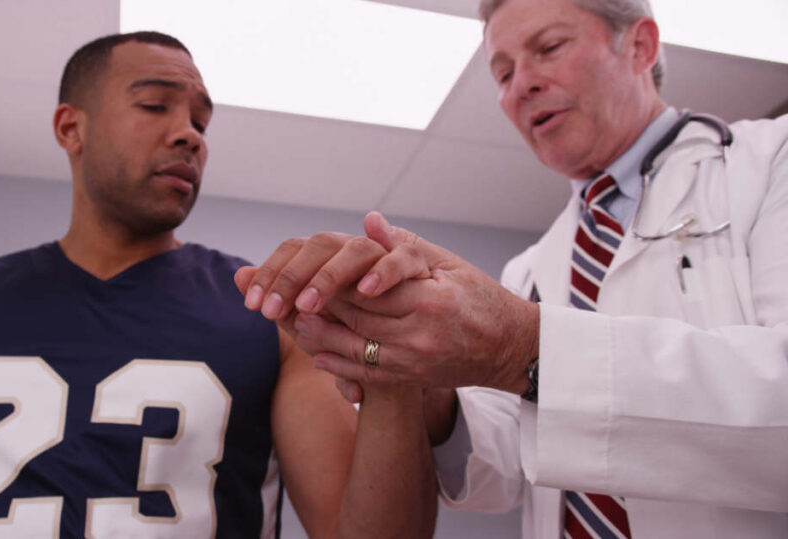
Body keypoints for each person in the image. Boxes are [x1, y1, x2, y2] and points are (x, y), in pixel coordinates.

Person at [0, 32, 437, 538]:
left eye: (201, 121)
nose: (190, 132)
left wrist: (393, 363)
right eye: (155, 105)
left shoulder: (266, 312)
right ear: (70, 128)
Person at [236, 0, 788, 537]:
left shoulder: (769, 163)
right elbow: (505, 471)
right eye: (502, 74)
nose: (520, 85)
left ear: (641, 46)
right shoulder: (532, 268)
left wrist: (525, 347)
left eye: (548, 48)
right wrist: (422, 381)